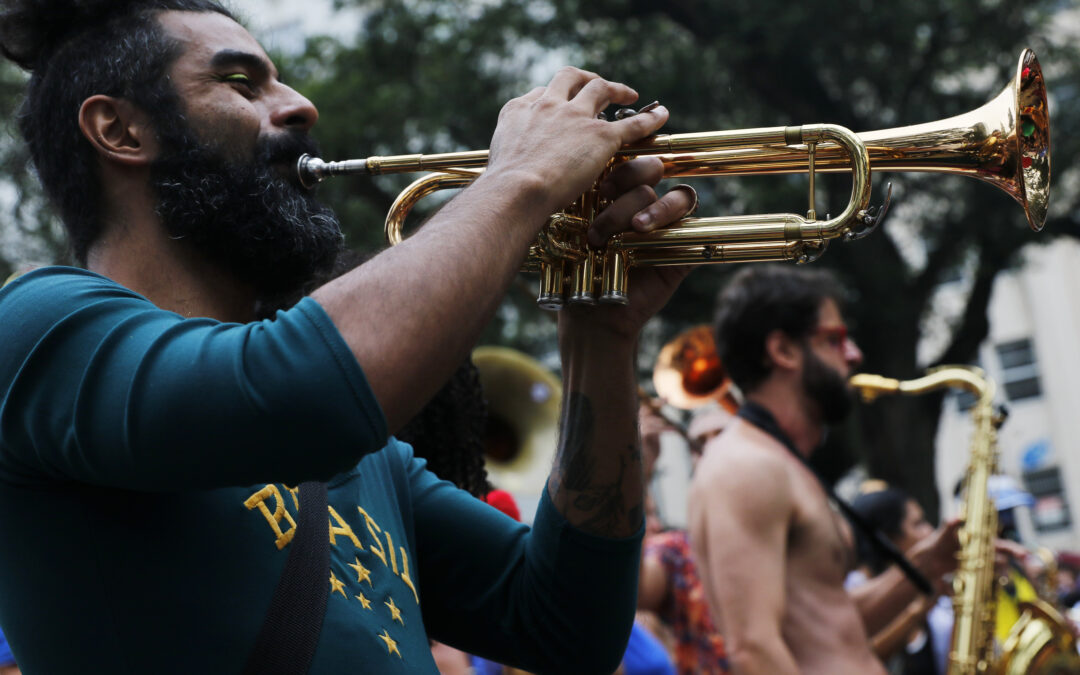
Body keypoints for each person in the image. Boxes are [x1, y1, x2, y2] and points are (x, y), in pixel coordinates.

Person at [0, 1, 698, 672]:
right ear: (121, 131)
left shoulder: (372, 458)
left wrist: (600, 332)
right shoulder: (38, 323)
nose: (302, 106)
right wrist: (522, 177)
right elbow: (298, 392)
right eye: (240, 82)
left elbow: (571, 625)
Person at [687, 265, 961, 675]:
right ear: (784, 350)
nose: (854, 355)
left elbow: (830, 628)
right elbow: (754, 649)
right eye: (834, 339)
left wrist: (927, 564)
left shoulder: (778, 462)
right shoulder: (746, 466)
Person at [638, 404, 731, 674]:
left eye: (722, 435)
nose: (710, 447)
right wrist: (638, 472)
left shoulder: (788, 531)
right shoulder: (677, 551)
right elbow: (632, 589)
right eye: (700, 441)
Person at [849, 486, 947, 675]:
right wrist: (918, 612)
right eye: (918, 524)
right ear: (888, 539)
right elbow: (858, 657)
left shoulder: (933, 591)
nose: (929, 531)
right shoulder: (852, 590)